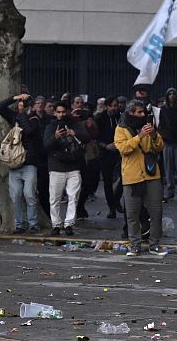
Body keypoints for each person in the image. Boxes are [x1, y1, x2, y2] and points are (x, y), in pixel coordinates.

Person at [115, 99, 167, 256]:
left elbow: (159, 147)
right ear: (130, 112)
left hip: (151, 175)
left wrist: (154, 135)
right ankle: (135, 245)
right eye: (139, 112)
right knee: (132, 214)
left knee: (156, 212)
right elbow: (124, 149)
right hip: (132, 177)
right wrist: (140, 136)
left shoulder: (148, 125)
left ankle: (154, 244)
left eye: (143, 112)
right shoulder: (121, 128)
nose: (142, 114)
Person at [0, 93, 43, 233]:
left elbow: (28, 130)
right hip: (14, 163)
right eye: (20, 103)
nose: (22, 105)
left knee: (29, 194)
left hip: (29, 163)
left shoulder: (34, 119)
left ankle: (33, 223)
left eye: (24, 103)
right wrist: (14, 98)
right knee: (15, 196)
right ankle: (19, 224)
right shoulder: (14, 117)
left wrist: (22, 113)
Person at [44, 102, 89, 236]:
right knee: (55, 198)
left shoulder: (75, 124)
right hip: (56, 167)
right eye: (59, 112)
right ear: (54, 113)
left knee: (73, 196)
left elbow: (87, 138)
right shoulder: (51, 126)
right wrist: (56, 136)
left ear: (67, 112)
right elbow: (45, 146)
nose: (61, 114)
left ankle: (69, 224)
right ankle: (56, 225)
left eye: (63, 112)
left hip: (74, 166)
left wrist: (74, 133)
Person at [95, 96, 123, 218]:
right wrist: (105, 146)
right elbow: (96, 137)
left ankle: (116, 199)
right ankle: (111, 207)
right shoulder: (100, 118)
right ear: (107, 106)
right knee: (108, 181)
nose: (114, 108)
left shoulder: (121, 117)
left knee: (124, 177)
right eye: (112, 105)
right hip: (106, 152)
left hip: (120, 150)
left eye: (116, 105)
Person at [31, 96, 52, 219]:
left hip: (46, 155)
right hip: (34, 155)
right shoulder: (30, 118)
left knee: (45, 188)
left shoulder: (50, 119)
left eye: (42, 103)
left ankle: (46, 213)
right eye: (37, 103)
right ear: (34, 105)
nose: (39, 105)